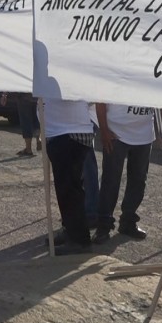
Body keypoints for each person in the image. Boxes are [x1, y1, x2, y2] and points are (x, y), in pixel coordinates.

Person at [92, 104, 162, 244]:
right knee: (110, 181)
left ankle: (128, 221)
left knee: (138, 181)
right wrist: (104, 130)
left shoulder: (156, 80)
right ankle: (103, 225)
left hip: (144, 136)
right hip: (116, 133)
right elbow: (101, 100)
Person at [43, 98, 95, 255]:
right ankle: (71, 231)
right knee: (69, 188)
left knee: (69, 190)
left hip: (68, 133)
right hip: (62, 132)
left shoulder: (63, 76)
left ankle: (79, 240)